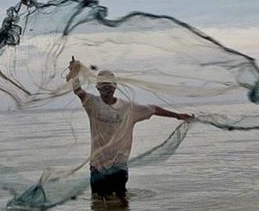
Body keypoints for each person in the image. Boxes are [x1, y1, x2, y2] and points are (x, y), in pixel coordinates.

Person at [66, 58, 193, 201]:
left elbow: (154, 109)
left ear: (115, 87)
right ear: (98, 88)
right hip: (97, 167)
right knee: (98, 205)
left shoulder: (128, 108)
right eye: (103, 87)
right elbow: (78, 91)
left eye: (109, 86)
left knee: (121, 202)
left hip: (119, 165)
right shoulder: (92, 103)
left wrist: (177, 116)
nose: (106, 90)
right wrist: (74, 72)